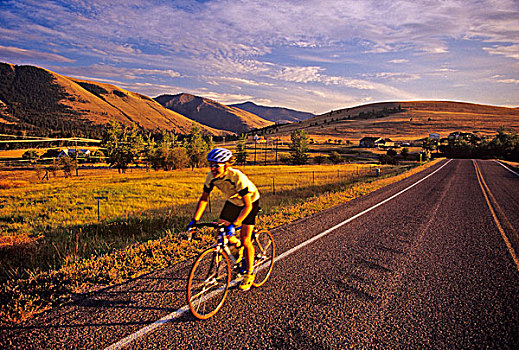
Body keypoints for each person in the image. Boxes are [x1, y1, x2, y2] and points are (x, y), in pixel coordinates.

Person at [187, 147, 260, 291]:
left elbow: (247, 206)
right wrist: (194, 221)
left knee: (245, 239)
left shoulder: (236, 177)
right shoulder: (211, 177)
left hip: (250, 202)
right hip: (233, 202)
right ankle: (237, 250)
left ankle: (249, 274)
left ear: (226, 165)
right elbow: (204, 199)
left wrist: (236, 224)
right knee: (220, 233)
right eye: (211, 165)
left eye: (216, 165)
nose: (213, 168)